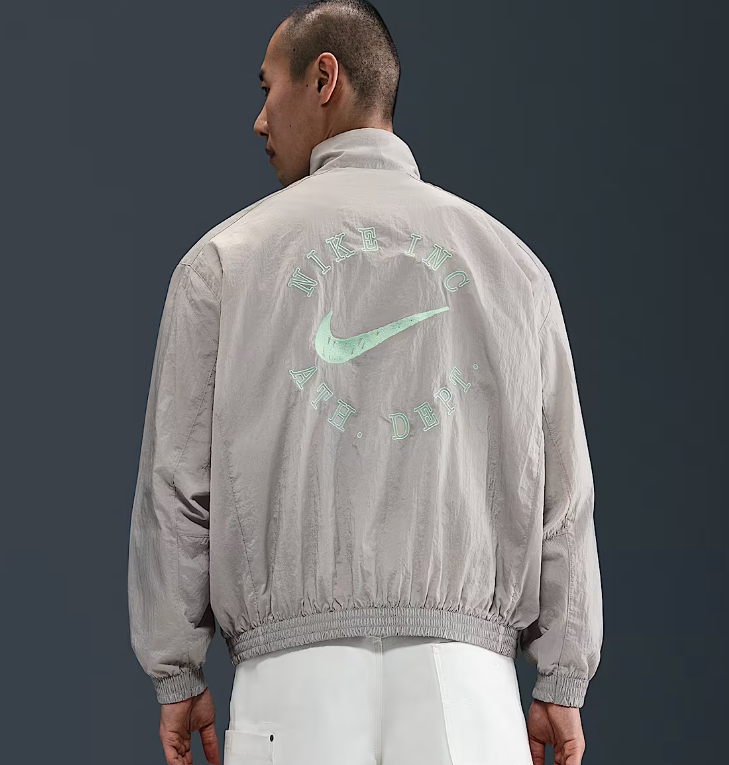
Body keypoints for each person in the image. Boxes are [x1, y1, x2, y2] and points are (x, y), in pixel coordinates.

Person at [127, 1, 603, 763]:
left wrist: (175, 669)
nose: (259, 120)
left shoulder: (224, 261)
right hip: (467, 696)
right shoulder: (510, 265)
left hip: (292, 694)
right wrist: (562, 674)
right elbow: (563, 494)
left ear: (324, 79)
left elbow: (178, 486)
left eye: (268, 89)